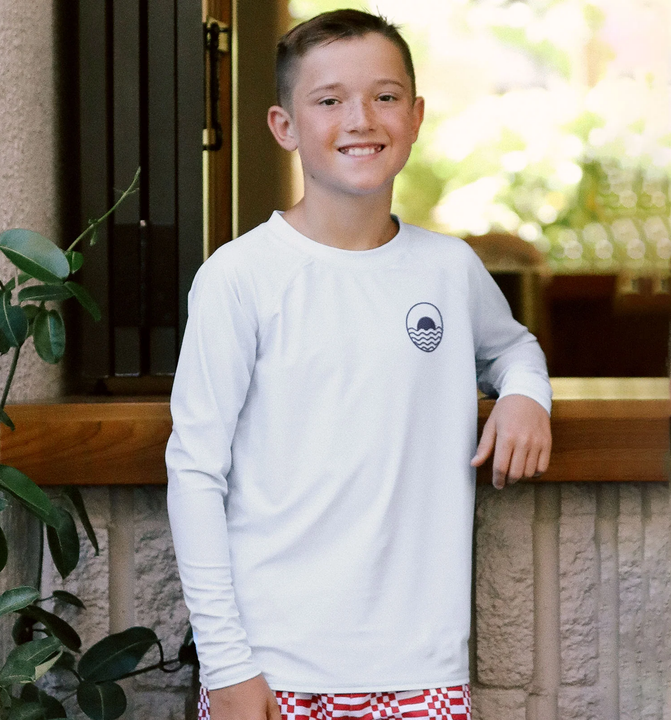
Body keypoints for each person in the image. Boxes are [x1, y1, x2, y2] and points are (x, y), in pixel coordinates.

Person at [166, 9, 552, 720]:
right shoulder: (238, 277)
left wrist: (527, 393)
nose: (361, 118)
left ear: (416, 115)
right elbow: (194, 473)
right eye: (329, 100)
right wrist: (227, 665)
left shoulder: (448, 269)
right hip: (272, 669)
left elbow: (512, 346)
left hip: (422, 670)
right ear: (284, 126)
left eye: (385, 95)